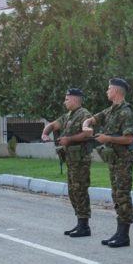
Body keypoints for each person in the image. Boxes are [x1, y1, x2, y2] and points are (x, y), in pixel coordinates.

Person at [82, 78, 133, 248]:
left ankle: (124, 235)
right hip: (113, 161)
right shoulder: (111, 110)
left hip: (122, 161)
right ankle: (119, 232)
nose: (106, 91)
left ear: (116, 91)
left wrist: (108, 138)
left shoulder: (125, 112)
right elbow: (93, 119)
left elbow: (129, 138)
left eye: (109, 88)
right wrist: (86, 124)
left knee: (123, 196)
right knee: (116, 195)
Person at [41, 88, 93, 237]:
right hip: (71, 160)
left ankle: (84, 226)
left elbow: (88, 133)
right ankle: (79, 223)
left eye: (67, 99)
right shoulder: (68, 116)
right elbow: (53, 124)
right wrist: (45, 133)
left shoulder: (85, 115)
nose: (65, 102)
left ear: (75, 99)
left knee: (80, 190)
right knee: (73, 192)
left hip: (81, 160)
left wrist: (69, 139)